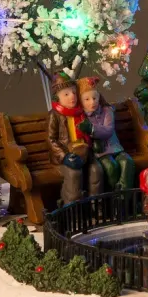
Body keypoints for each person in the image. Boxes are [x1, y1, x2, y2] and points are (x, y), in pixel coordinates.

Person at [47, 71, 103, 205]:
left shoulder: (81, 112)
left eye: (73, 92)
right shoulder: (54, 115)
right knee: (74, 175)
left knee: (96, 170)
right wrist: (64, 156)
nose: (72, 96)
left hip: (85, 152)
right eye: (66, 94)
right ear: (58, 98)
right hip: (67, 155)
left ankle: (96, 205)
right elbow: (51, 139)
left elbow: (90, 132)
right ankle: (72, 208)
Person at [78, 76, 136, 190]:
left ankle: (124, 194)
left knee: (127, 162)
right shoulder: (82, 117)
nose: (92, 102)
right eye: (87, 99)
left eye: (94, 98)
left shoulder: (107, 111)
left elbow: (108, 130)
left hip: (115, 148)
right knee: (110, 167)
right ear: (81, 101)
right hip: (100, 153)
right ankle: (113, 195)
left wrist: (92, 129)